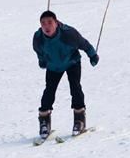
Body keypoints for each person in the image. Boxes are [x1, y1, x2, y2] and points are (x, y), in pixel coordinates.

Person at [32, 10, 99, 140]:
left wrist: (93, 55)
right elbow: (38, 50)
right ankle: (44, 121)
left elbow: (84, 44)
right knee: (49, 91)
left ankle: (79, 120)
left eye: (50, 22)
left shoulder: (68, 34)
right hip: (53, 66)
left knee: (75, 87)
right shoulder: (38, 37)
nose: (47, 26)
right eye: (43, 23)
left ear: (56, 23)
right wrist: (42, 61)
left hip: (71, 62)